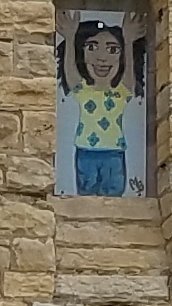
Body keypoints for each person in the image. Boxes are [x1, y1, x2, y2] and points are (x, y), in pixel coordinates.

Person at [59, 15, 138, 196]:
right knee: (86, 195)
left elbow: (129, 77)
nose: (102, 58)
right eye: (92, 47)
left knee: (113, 195)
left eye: (113, 50)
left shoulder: (121, 93)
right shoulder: (83, 91)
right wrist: (70, 38)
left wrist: (128, 41)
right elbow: (70, 72)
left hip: (114, 151)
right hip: (86, 150)